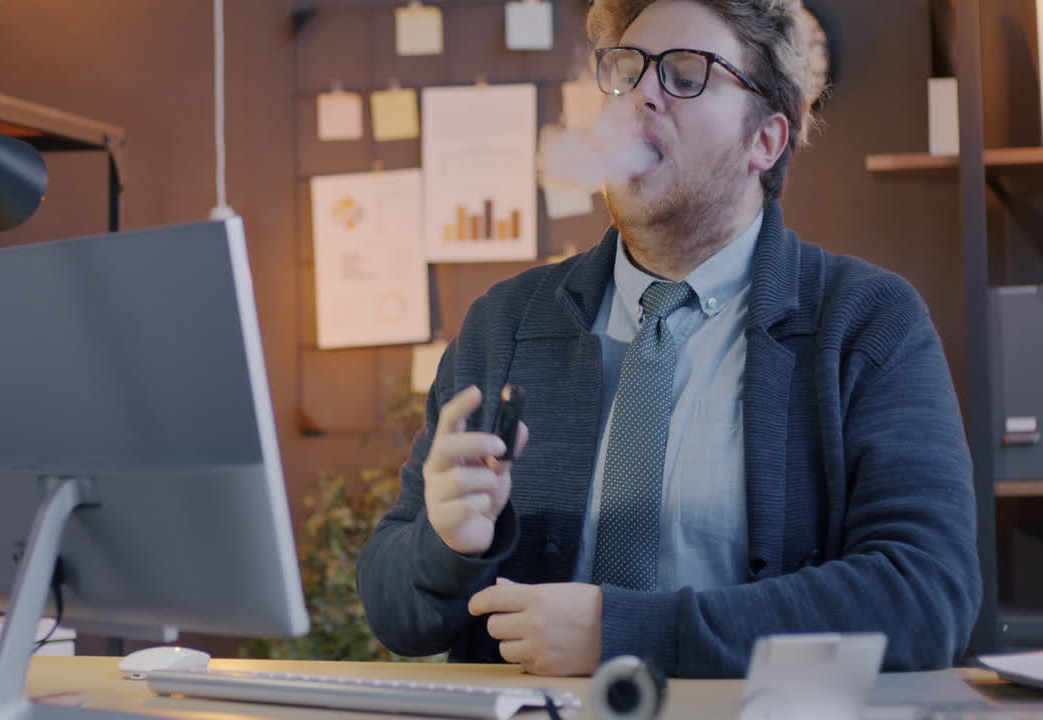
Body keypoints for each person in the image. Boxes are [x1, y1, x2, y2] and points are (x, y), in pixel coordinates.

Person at [356, 0, 981, 678]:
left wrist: (626, 633)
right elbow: (396, 611)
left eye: (686, 74)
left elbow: (926, 597)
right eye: (626, 71)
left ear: (766, 141)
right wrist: (443, 548)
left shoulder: (867, 323)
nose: (641, 95)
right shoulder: (504, 324)